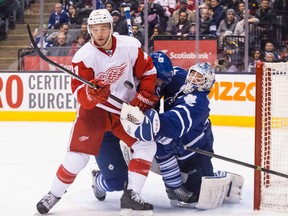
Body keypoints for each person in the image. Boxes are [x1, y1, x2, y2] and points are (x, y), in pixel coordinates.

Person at [35, 9, 159, 216]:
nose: (99, 33)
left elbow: (148, 71)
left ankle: (132, 194)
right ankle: (53, 194)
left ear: (111, 28)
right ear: (90, 31)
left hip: (125, 110)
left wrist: (142, 99)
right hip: (95, 113)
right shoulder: (84, 56)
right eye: (95, 29)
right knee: (77, 156)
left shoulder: (130, 46)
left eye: (103, 28)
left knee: (146, 144)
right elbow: (77, 92)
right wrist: (92, 95)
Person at [120, 62, 244, 209]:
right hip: (176, 141)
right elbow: (163, 72)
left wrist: (149, 119)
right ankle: (174, 187)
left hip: (194, 149)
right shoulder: (179, 76)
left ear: (207, 83)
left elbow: (174, 122)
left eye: (199, 78)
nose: (193, 79)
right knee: (159, 140)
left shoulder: (198, 102)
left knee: (197, 194)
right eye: (192, 74)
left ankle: (219, 176)